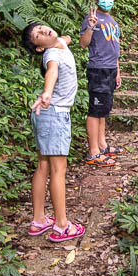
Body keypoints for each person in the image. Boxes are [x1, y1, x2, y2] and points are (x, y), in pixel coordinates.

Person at [22, 22, 86, 243]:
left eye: (41, 27)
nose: (43, 31)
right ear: (39, 48)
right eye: (38, 35)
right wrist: (47, 92)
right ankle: (61, 225)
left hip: (46, 115)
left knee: (43, 166)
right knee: (58, 170)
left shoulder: (58, 43)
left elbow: (65, 38)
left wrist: (64, 38)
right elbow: (52, 71)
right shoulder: (51, 55)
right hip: (55, 114)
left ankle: (39, 220)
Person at [79, 0, 123, 166]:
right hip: (98, 69)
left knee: (103, 110)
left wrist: (118, 71)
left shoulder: (113, 21)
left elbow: (116, 48)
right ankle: (93, 153)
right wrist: (90, 26)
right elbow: (83, 43)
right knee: (95, 110)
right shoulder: (92, 18)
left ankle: (102, 145)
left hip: (110, 70)